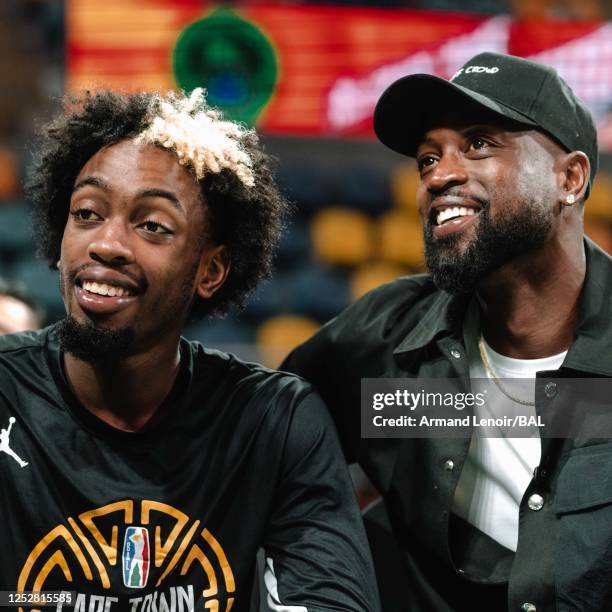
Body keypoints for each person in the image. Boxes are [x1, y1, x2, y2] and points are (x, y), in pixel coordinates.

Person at [0, 89, 380, 612]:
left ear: (211, 271)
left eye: (152, 225)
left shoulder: (274, 420)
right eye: (87, 213)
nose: (106, 243)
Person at [283, 52, 612, 612]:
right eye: (427, 158)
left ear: (570, 178)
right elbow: (253, 440)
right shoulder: (386, 344)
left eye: (479, 143)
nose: (439, 175)